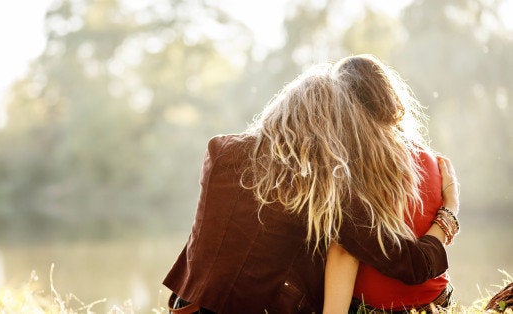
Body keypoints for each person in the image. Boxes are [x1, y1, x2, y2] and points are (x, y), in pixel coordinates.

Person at [163, 63, 459, 313]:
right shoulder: (329, 182)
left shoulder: (220, 150)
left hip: (187, 308)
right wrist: (449, 211)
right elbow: (412, 265)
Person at [321, 54, 460, 313]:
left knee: (340, 240)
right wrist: (451, 207)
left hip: (379, 308)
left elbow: (345, 253)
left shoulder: (353, 165)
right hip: (437, 302)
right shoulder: (430, 160)